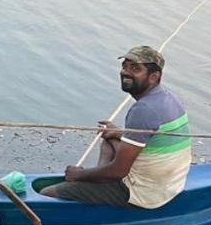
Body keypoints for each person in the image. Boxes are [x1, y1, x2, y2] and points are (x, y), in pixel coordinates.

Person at [41, 46, 192, 208]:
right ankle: (99, 180)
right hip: (171, 184)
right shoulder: (168, 98)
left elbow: (119, 172)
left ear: (154, 77)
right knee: (109, 138)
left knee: (47, 194)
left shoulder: (144, 110)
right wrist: (118, 133)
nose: (125, 72)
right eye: (124, 66)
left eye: (135, 69)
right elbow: (152, 135)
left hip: (145, 193)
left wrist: (78, 175)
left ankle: (99, 187)